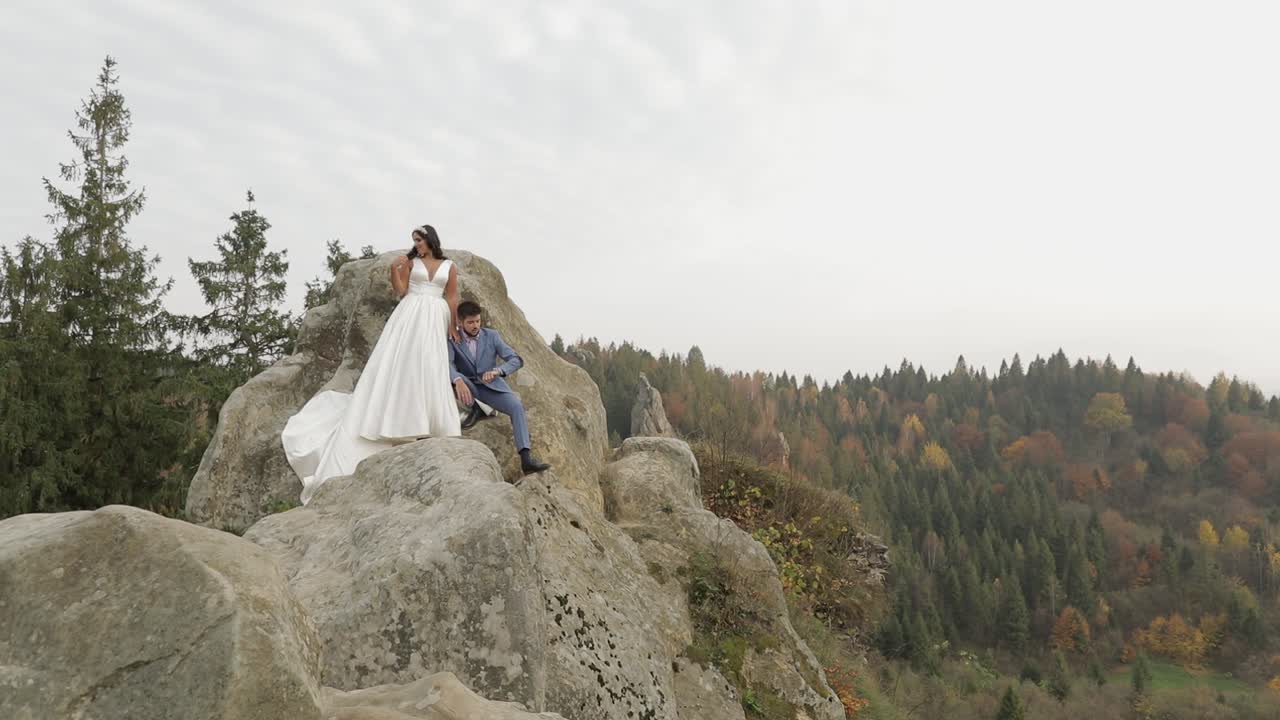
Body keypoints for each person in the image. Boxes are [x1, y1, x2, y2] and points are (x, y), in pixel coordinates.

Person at [282, 225, 462, 503]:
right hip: (409, 316)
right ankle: (400, 418)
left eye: (419, 240)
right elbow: (401, 292)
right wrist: (395, 271)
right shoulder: (409, 262)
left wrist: (453, 324)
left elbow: (451, 296)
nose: (416, 244)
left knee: (430, 366)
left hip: (434, 318)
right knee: (405, 366)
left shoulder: (448, 266)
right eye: (414, 240)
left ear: (430, 240)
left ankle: (430, 419)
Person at [449, 301, 551, 475]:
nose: (475, 326)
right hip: (468, 386)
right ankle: (475, 408)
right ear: (460, 322)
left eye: (478, 321)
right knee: (458, 381)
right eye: (471, 322)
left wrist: (498, 371)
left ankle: (526, 458)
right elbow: (447, 363)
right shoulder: (453, 340)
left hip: (491, 387)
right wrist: (458, 379)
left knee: (516, 406)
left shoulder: (492, 336)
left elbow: (516, 360)